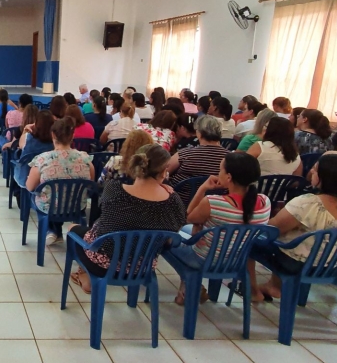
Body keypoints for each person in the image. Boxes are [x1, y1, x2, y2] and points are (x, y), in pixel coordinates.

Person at [67, 144, 187, 293]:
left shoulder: (114, 189)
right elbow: (170, 239)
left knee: (73, 230)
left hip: (103, 265)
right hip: (143, 267)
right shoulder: (173, 201)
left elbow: (105, 216)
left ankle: (85, 276)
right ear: (164, 172)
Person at [167, 153, 271, 304]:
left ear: (228, 177)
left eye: (220, 170)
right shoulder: (264, 202)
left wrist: (203, 189)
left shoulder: (214, 202)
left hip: (204, 259)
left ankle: (190, 282)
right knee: (188, 229)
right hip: (237, 259)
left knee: (164, 239)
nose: (217, 173)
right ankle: (193, 286)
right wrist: (198, 224)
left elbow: (187, 217)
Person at [248, 154, 337, 301]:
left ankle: (253, 291)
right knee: (296, 239)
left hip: (298, 265)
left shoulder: (309, 204)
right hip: (335, 267)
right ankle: (274, 286)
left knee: (249, 242)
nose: (311, 172)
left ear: (326, 178)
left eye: (315, 170)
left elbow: (272, 229)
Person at [26, 117, 95, 246]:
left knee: (35, 195)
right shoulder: (85, 158)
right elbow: (90, 183)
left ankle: (52, 230)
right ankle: (56, 231)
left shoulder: (42, 159)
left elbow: (30, 187)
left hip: (50, 207)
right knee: (60, 196)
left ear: (52, 135)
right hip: (77, 206)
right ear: (72, 135)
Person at [168, 115, 228, 186]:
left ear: (199, 134)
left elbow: (164, 170)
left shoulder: (185, 153)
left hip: (182, 195)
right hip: (215, 196)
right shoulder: (229, 158)